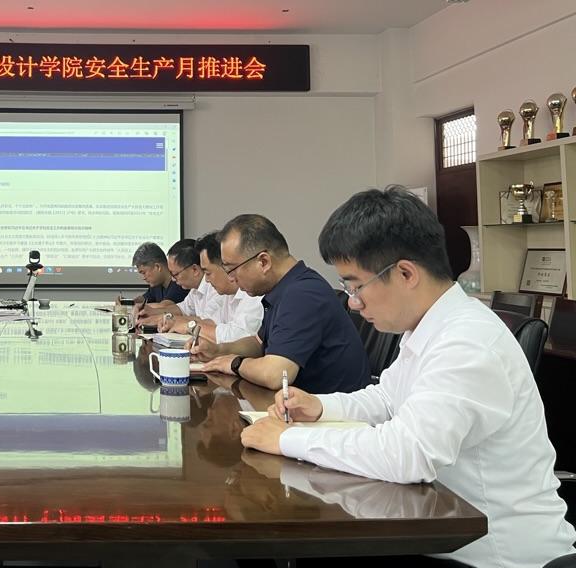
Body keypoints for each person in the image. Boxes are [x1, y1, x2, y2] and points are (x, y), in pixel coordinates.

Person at [241, 187, 575, 567]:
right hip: (439, 528)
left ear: (405, 273)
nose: (353, 301)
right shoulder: (429, 325)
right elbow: (387, 398)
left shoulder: (468, 341)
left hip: (492, 554)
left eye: (356, 285)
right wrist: (318, 407)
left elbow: (407, 455)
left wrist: (288, 439)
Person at [193, 214, 369, 395]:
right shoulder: (284, 289)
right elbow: (259, 343)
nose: (231, 278)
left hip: (332, 409)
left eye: (232, 269)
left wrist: (235, 363)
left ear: (263, 262)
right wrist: (219, 350)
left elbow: (275, 374)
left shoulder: (302, 294)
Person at [149, 232, 264, 345]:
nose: (207, 280)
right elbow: (211, 322)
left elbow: (239, 336)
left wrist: (189, 326)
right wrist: (179, 322)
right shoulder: (226, 294)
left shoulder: (254, 293)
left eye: (208, 273)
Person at [130, 241, 189, 314]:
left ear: (157, 267)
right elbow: (143, 299)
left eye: (144, 272)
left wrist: (139, 307)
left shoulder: (179, 282)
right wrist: (128, 302)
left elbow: (164, 307)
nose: (143, 278)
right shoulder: (157, 284)